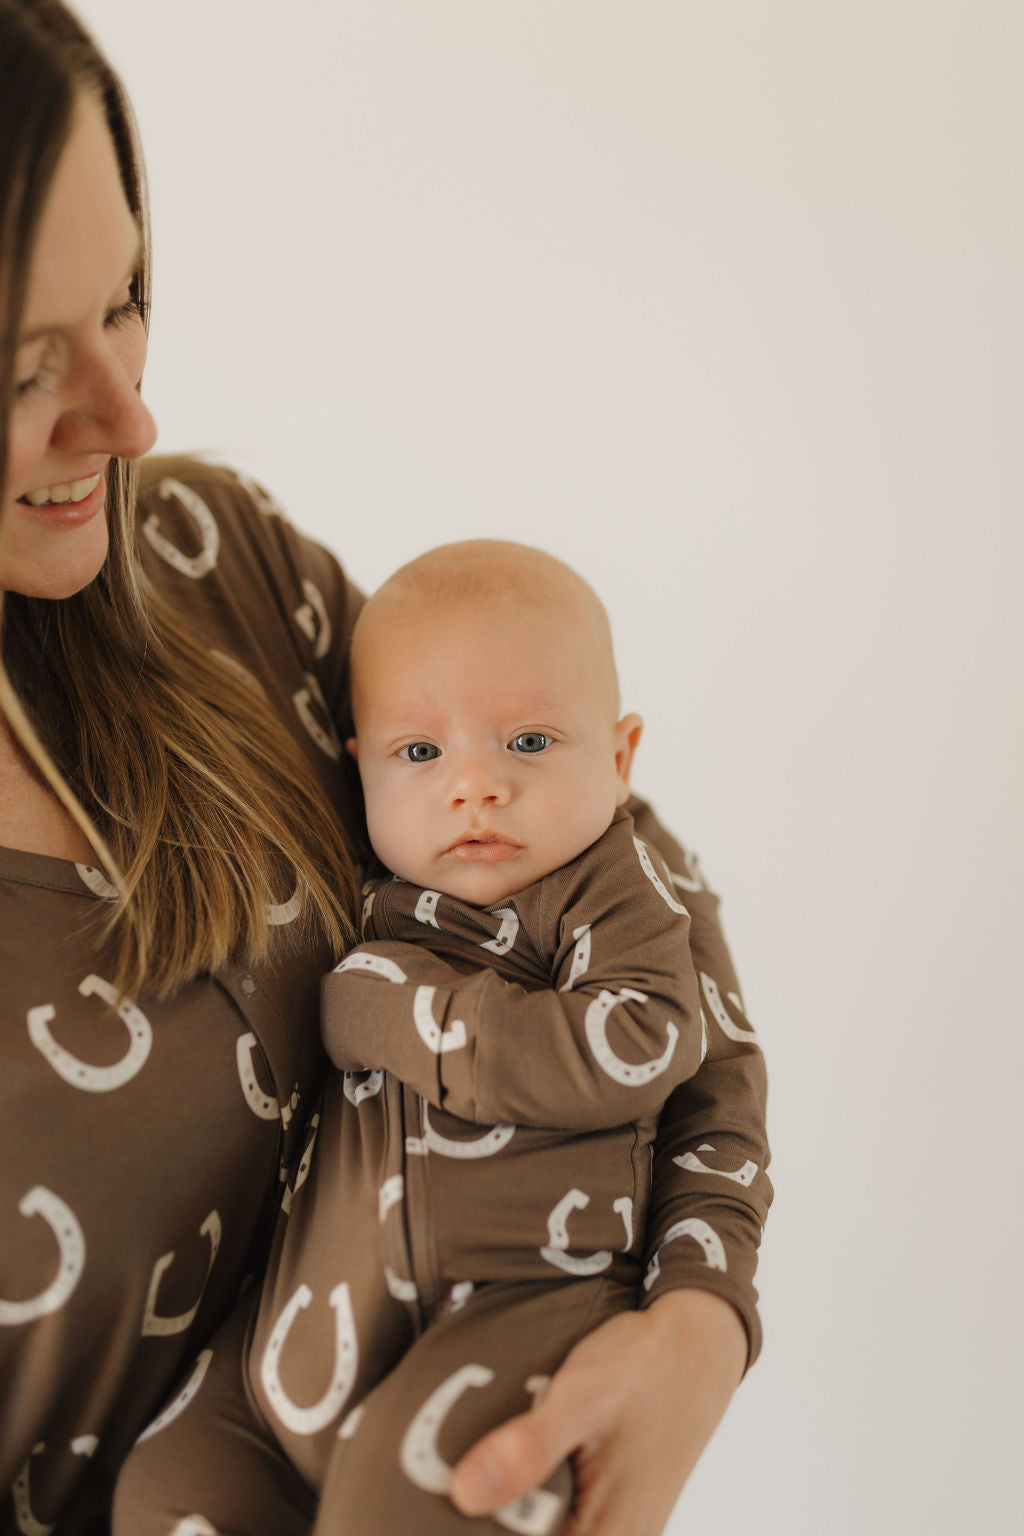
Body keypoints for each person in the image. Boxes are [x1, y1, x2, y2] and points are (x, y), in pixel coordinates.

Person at [0, 2, 770, 1532]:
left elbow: (645, 897)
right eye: (24, 370)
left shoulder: (223, 570)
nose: (130, 413)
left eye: (130, 297)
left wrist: (702, 1312)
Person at [113, 539, 747, 1534]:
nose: (476, 786)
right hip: (297, 1330)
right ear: (358, 766)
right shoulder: (372, 889)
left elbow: (640, 1041)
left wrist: (388, 1004)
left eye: (529, 743)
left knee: (413, 1500)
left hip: (516, 1301)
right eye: (421, 754)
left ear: (618, 758)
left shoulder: (606, 892)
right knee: (166, 1490)